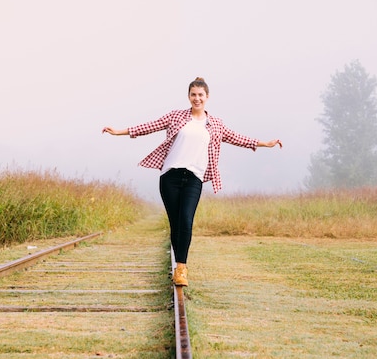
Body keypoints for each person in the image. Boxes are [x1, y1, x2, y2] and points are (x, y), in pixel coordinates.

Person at [102, 77, 282, 287]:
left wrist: (264, 144)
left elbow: (236, 138)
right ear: (189, 97)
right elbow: (149, 126)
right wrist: (120, 131)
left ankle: (181, 268)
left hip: (194, 178)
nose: (197, 99)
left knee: (186, 220)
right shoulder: (176, 116)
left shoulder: (215, 124)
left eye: (201, 95)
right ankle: (179, 268)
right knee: (175, 222)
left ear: (207, 97)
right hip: (170, 176)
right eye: (193, 95)